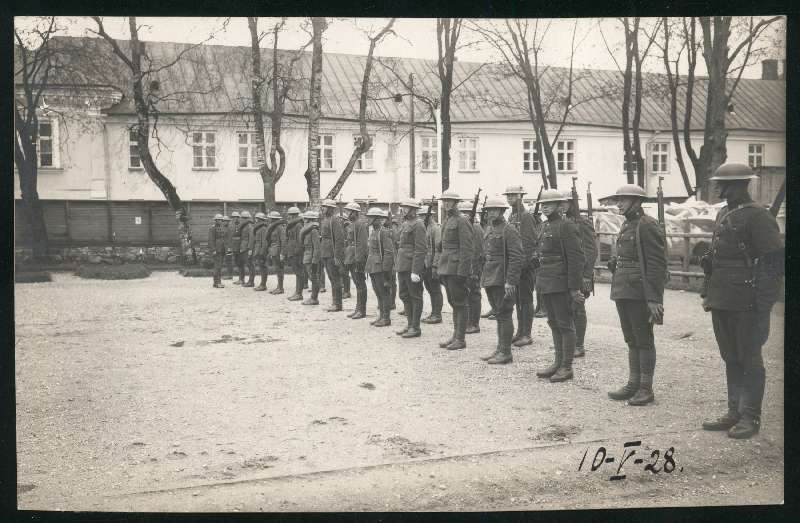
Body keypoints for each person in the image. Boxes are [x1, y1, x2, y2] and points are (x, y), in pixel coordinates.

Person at [700, 163, 784, 439]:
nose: (719, 189)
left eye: (724, 185)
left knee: (749, 358)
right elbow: (715, 259)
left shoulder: (759, 217)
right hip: (723, 298)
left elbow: (773, 266)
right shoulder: (725, 213)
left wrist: (763, 306)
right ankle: (734, 411)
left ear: (739, 185)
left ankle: (751, 416)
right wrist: (708, 292)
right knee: (730, 357)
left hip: (747, 301)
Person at [605, 184, 667, 406]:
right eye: (618, 199)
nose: (619, 203)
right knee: (631, 339)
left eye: (623, 199)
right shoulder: (628, 224)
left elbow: (657, 265)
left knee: (643, 340)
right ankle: (633, 383)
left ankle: (645, 388)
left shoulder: (647, 225)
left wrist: (654, 298)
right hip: (623, 288)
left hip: (640, 292)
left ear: (637, 202)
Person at [534, 189, 585, 383]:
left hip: (561, 282)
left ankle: (566, 366)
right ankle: (558, 362)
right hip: (546, 281)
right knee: (553, 323)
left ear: (559, 205)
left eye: (549, 203)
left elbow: (576, 258)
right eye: (543, 204)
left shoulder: (566, 226)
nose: (544, 206)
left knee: (565, 324)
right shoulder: (546, 226)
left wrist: (574, 288)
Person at [479, 197, 525, 364]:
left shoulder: (509, 230)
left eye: (494, 210)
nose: (491, 212)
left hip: (502, 277)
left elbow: (517, 256)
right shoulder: (490, 229)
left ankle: (506, 352)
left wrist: (511, 281)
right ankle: (500, 348)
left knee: (504, 314)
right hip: (491, 276)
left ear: (502, 211)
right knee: (498, 313)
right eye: (489, 210)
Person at [436, 190, 474, 351]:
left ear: (456, 203)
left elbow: (467, 248)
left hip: (456, 267)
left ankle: (460, 338)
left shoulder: (462, 221)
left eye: (449, 201)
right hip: (446, 266)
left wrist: (462, 272)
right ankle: (455, 335)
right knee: (453, 302)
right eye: (444, 201)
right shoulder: (447, 220)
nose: (446, 204)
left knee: (460, 302)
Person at [504, 185, 537, 348]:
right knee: (517, 300)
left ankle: (527, 334)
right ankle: (519, 332)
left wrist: (522, 266)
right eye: (508, 196)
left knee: (526, 299)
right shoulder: (512, 216)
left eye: (513, 196)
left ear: (520, 197)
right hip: (515, 265)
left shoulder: (526, 216)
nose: (510, 198)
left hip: (525, 266)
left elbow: (529, 243)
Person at [566, 195, 598, 358]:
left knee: (578, 308)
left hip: (580, 274)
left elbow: (591, 250)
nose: (562, 206)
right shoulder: (564, 222)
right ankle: (570, 343)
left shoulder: (583, 222)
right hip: (566, 272)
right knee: (566, 309)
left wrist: (586, 275)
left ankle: (579, 345)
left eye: (566, 202)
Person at [395, 198, 428, 338]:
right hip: (402, 264)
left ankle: (415, 327)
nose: (404, 209)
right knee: (404, 295)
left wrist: (416, 270)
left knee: (415, 296)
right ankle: (409, 324)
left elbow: (421, 249)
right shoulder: (405, 224)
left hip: (411, 265)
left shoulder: (418, 224)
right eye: (403, 207)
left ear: (414, 210)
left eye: (407, 207)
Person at [457, 200, 484, 334]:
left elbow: (477, 250)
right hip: (466, 265)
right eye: (462, 213)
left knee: (474, 294)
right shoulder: (465, 226)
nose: (464, 215)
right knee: (466, 294)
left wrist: (473, 270)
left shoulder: (476, 227)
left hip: (474, 266)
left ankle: (474, 323)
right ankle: (468, 321)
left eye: (466, 213)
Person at [366, 207, 395, 327]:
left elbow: (389, 252)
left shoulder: (384, 232)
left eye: (372, 217)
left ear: (378, 219)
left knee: (384, 292)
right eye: (370, 217)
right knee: (378, 291)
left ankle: (386, 318)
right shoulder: (373, 232)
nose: (370, 219)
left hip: (380, 267)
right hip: (373, 266)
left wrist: (386, 270)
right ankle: (381, 316)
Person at [344, 202, 369, 320]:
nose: (347, 213)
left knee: (360, 284)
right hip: (351, 256)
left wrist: (359, 260)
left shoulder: (360, 224)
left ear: (355, 212)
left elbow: (362, 244)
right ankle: (357, 309)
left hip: (357, 258)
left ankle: (361, 310)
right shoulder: (352, 224)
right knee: (357, 283)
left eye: (349, 211)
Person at [320, 199, 345, 312]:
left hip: (332, 252)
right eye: (323, 207)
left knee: (335, 279)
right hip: (325, 252)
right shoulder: (325, 219)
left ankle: (337, 304)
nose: (323, 208)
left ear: (330, 208)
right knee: (331, 278)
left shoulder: (334, 220)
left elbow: (339, 239)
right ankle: (334, 302)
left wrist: (337, 256)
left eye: (325, 207)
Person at [420, 204, 443, 325]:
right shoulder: (425, 228)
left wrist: (435, 265)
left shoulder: (435, 228)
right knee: (430, 289)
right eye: (421, 215)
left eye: (424, 215)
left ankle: (437, 314)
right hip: (425, 264)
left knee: (435, 289)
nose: (423, 217)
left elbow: (438, 248)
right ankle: (433, 312)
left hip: (432, 264)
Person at [300, 210, 321, 306]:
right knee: (311, 277)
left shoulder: (314, 231)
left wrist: (314, 261)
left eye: (305, 218)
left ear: (309, 220)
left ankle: (314, 298)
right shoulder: (307, 230)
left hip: (311, 257)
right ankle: (313, 297)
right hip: (307, 256)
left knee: (314, 277)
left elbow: (317, 247)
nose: (304, 220)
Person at [284, 207, 306, 301]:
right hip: (292, 251)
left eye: (290, 215)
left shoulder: (298, 225)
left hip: (297, 252)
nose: (289, 216)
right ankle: (297, 292)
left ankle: (299, 293)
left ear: (294, 215)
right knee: (297, 272)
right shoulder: (292, 225)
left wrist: (297, 252)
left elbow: (300, 240)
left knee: (299, 273)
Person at [265, 211, 287, 294]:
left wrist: (282, 253)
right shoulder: (273, 227)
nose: (269, 219)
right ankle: (279, 286)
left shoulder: (280, 227)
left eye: (270, 218)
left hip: (278, 250)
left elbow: (283, 241)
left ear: (273, 219)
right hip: (273, 250)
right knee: (277, 269)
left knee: (279, 269)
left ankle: (280, 288)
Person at [251, 212, 269, 291]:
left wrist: (262, 253)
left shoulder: (263, 228)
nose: (255, 220)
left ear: (260, 219)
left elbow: (264, 242)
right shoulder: (259, 228)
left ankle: (263, 285)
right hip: (258, 250)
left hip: (261, 251)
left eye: (257, 218)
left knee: (263, 267)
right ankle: (262, 284)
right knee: (261, 267)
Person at [208, 214, 226, 288]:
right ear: (215, 220)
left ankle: (218, 282)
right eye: (218, 219)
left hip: (221, 249)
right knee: (217, 266)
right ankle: (216, 283)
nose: (220, 221)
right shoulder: (212, 228)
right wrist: (213, 250)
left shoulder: (221, 228)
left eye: (221, 220)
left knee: (220, 266)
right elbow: (211, 240)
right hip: (217, 250)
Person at [239, 210, 255, 287]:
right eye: (242, 218)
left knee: (250, 265)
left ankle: (251, 281)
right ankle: (248, 281)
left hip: (247, 248)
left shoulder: (249, 226)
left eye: (244, 218)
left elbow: (251, 238)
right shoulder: (244, 226)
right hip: (243, 247)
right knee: (248, 264)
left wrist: (250, 249)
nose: (242, 219)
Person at [230, 211, 243, 284]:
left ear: (239, 218)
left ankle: (241, 279)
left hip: (240, 246)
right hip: (234, 246)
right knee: (237, 262)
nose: (235, 219)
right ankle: (240, 278)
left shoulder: (241, 225)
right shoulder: (231, 225)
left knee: (241, 263)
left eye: (237, 217)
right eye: (234, 217)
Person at [341, 218, 352, 300]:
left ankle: (347, 291)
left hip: (348, 253)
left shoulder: (349, 228)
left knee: (345, 273)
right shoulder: (341, 230)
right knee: (343, 273)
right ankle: (344, 290)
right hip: (343, 253)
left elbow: (349, 241)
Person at [222, 215, 234, 280]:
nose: (225, 222)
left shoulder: (230, 229)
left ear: (228, 222)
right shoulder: (222, 228)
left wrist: (229, 248)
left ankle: (230, 275)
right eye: (224, 221)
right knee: (225, 261)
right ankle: (227, 274)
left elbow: (230, 239)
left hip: (228, 247)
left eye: (226, 221)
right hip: (223, 246)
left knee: (229, 261)